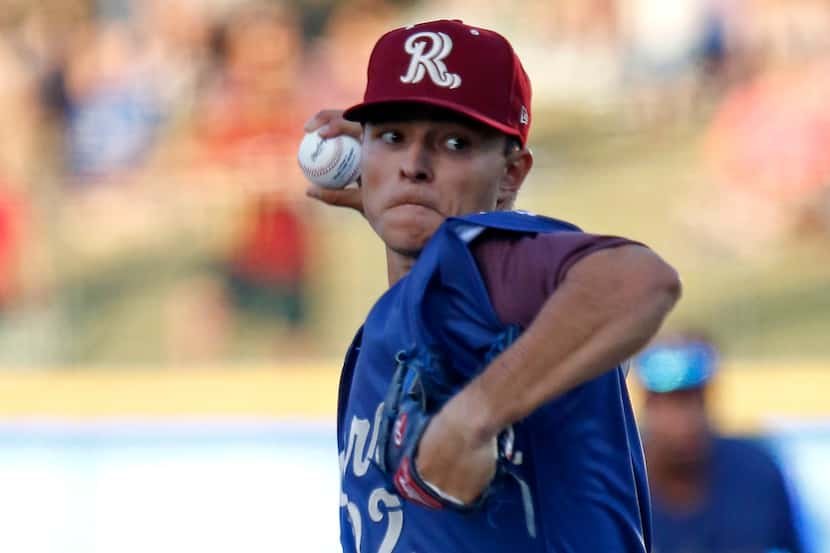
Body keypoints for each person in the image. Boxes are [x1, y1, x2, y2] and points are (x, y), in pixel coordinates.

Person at [304, 19, 681, 553]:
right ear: (360, 153)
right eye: (393, 137)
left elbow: (639, 280)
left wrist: (472, 417)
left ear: (511, 174)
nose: (414, 165)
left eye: (454, 144)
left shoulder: (487, 255)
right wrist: (401, 210)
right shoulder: (400, 315)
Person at [635, 335, 806, 553]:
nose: (684, 419)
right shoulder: (621, 482)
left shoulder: (757, 474)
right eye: (669, 403)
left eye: (693, 399)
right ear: (648, 405)